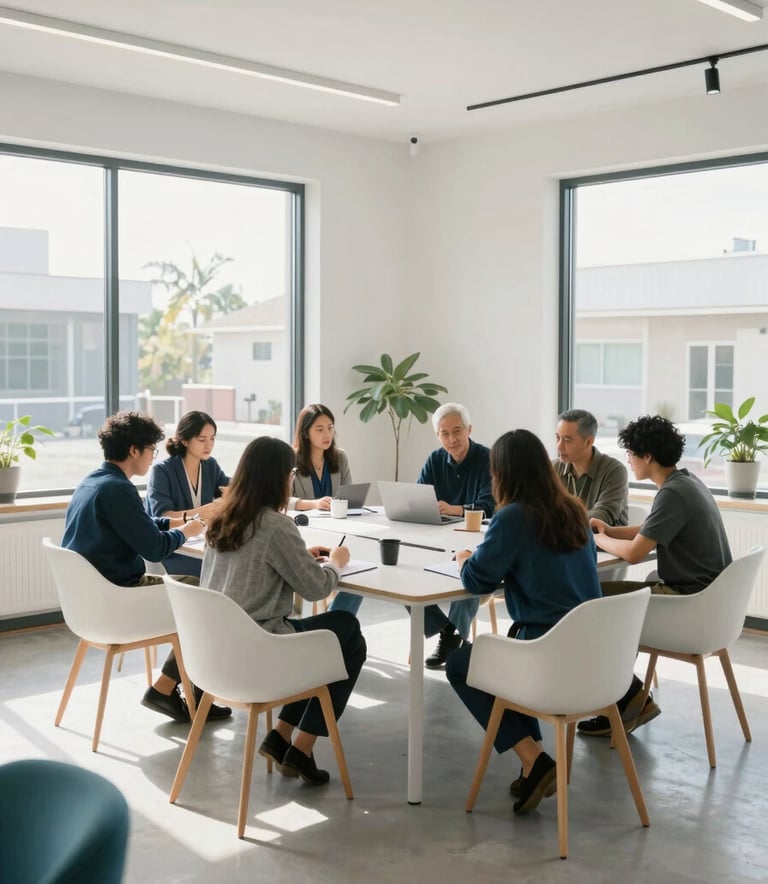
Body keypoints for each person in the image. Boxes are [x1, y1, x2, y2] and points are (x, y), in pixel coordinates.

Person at [446, 429, 601, 814]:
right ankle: (531, 765)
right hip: (595, 658)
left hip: (545, 656)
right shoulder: (574, 510)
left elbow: (476, 581)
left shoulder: (513, 517)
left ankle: (534, 758)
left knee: (460, 663)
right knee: (502, 654)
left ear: (503, 473)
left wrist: (468, 559)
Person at [201, 435, 367, 786]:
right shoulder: (277, 525)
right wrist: (335, 562)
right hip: (262, 653)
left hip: (216, 656)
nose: (292, 478)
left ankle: (281, 737)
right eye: (290, 473)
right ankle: (301, 747)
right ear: (278, 477)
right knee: (346, 632)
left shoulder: (219, 518)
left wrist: (300, 557)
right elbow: (318, 588)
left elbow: (251, 565)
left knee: (329, 638)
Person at [62, 411, 231, 723]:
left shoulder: (94, 482)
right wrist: (185, 532)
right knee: (202, 595)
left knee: (196, 591)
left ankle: (188, 693)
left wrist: (175, 522)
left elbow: (141, 525)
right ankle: (166, 688)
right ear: (134, 451)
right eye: (151, 450)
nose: (154, 456)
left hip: (90, 600)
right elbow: (153, 546)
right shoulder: (119, 489)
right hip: (118, 597)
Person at [579, 414, 733, 737]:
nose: (629, 460)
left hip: (689, 604)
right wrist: (610, 530)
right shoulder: (685, 483)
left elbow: (635, 552)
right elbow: (650, 529)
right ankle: (625, 697)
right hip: (711, 603)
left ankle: (624, 697)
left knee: (596, 603)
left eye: (631, 453)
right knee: (612, 599)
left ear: (647, 456)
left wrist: (598, 539)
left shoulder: (673, 494)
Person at [418, 403, 494, 668]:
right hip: (439, 541)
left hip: (476, 542)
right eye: (444, 433)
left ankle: (452, 636)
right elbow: (420, 498)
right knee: (403, 571)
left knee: (472, 571)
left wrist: (456, 509)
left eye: (457, 431)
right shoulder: (435, 459)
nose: (451, 439)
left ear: (469, 430)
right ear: (438, 436)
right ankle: (445, 627)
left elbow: (491, 505)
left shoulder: (488, 458)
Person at [145, 410, 230, 577]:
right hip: (172, 548)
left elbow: (229, 489)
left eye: (212, 438)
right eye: (202, 440)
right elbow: (163, 515)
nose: (209, 445)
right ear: (184, 440)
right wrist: (200, 513)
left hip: (199, 542)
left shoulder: (210, 465)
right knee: (222, 567)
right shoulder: (162, 471)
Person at [553, 408, 628, 526]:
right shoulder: (553, 468)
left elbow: (601, 516)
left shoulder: (614, 471)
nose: (559, 446)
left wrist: (556, 520)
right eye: (557, 438)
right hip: (561, 540)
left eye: (567, 440)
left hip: (601, 541)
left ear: (589, 442)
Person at [289, 403, 351, 511]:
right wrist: (315, 504)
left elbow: (349, 496)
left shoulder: (340, 458)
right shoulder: (290, 459)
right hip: (304, 524)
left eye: (330, 428)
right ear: (305, 433)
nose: (327, 435)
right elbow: (283, 501)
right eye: (320, 430)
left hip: (336, 523)